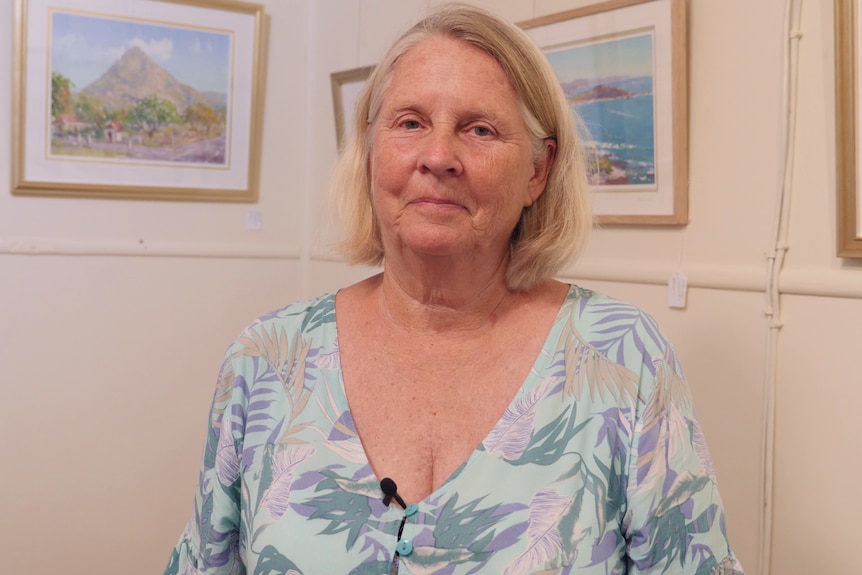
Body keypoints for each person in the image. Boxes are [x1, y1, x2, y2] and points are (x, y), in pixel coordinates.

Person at [165, 4, 744, 574]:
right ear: (370, 151)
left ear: (538, 172)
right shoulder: (265, 359)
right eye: (410, 122)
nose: (438, 156)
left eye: (480, 129)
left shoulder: (624, 361)